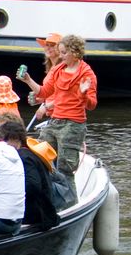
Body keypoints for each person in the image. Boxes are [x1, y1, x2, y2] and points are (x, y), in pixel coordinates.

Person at [19, 34, 97, 180]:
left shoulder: (87, 74)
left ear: (75, 53)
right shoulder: (58, 70)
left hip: (73, 124)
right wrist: (28, 80)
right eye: (60, 52)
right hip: (55, 121)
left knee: (65, 168)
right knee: (40, 155)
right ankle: (49, 192)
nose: (61, 56)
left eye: (63, 53)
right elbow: (44, 92)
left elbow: (91, 105)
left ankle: (68, 199)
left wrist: (83, 93)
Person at [0, 119, 58, 231]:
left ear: (15, 139)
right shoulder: (29, 153)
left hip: (36, 214)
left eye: (5, 141)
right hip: (42, 210)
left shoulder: (24, 157)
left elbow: (33, 185)